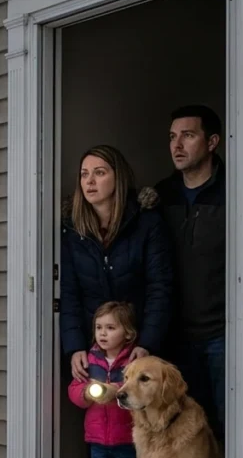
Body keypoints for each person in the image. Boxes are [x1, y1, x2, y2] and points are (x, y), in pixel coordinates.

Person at [61, 144, 173, 381]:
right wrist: (75, 347)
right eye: (84, 174)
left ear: (118, 177)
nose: (90, 181)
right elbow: (69, 294)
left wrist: (147, 343)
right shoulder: (73, 230)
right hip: (95, 348)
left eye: (99, 172)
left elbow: (160, 288)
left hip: (139, 344)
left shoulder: (146, 222)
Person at [153, 104, 225, 444]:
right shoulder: (158, 197)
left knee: (225, 430)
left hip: (222, 336)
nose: (176, 145)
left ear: (212, 142)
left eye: (188, 135)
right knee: (181, 437)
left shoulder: (235, 193)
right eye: (172, 137)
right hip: (175, 340)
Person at [68, 301, 147, 458]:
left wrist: (115, 390)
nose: (103, 333)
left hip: (127, 439)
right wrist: (84, 393)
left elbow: (140, 392)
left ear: (128, 333)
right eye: (99, 327)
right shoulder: (89, 361)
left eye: (111, 328)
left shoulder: (133, 363)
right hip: (97, 439)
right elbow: (75, 388)